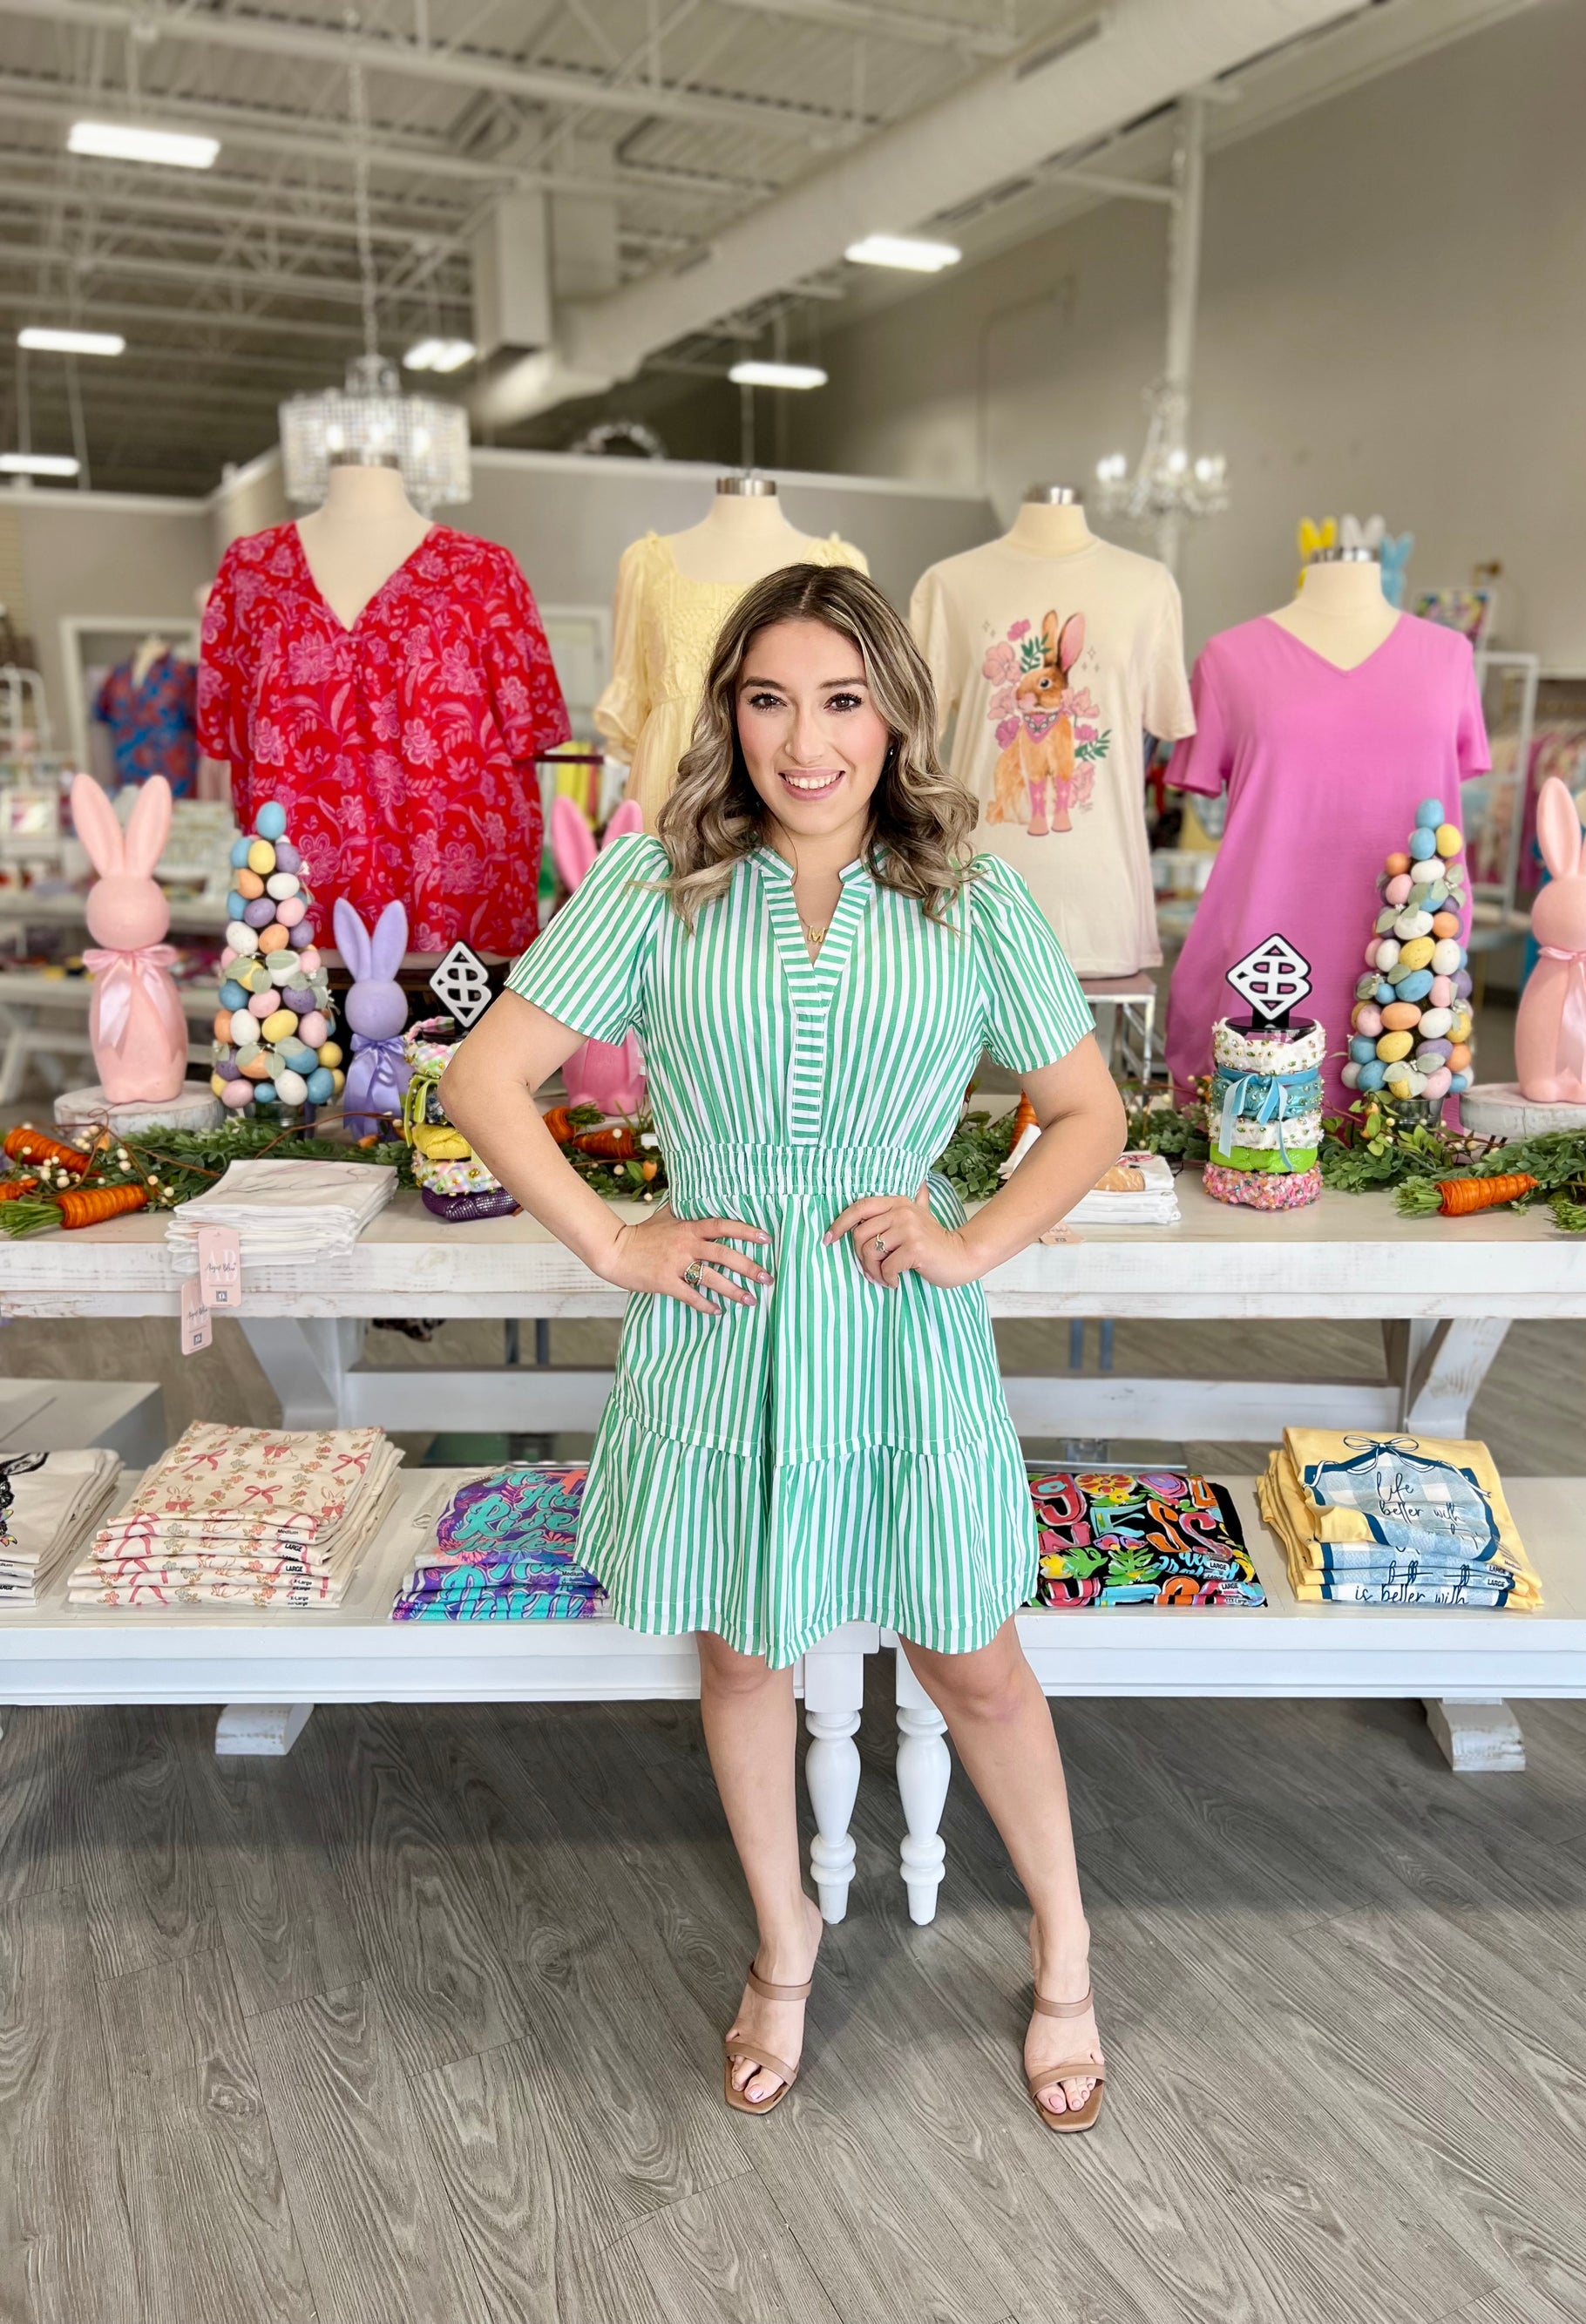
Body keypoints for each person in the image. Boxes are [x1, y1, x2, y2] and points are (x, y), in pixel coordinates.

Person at [442, 563, 1128, 2131]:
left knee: (974, 1660)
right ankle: (785, 1938)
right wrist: (616, 1241)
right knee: (743, 1653)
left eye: (840, 701)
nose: (804, 743)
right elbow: (485, 1082)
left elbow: (1087, 1112)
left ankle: (1067, 1948)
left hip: (899, 1335)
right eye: (768, 701)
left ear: (894, 713)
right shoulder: (654, 883)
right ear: (729, 712)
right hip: (726, 1329)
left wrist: (971, 1241)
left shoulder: (975, 899)